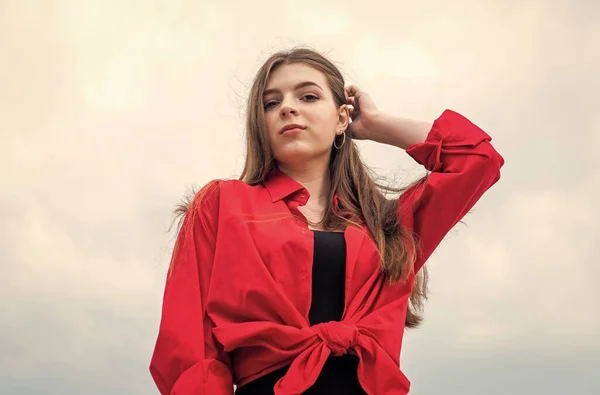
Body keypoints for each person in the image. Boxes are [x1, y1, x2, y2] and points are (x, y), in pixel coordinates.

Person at [149, 47, 504, 395]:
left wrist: (378, 125)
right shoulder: (221, 204)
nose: (287, 107)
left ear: (341, 118)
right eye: (271, 103)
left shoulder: (389, 225)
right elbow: (189, 350)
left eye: (308, 96)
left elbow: (478, 159)